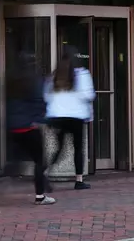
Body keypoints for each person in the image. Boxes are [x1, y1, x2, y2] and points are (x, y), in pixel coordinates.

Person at [0, 54, 55, 206]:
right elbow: (38, 102)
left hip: (14, 126)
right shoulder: (33, 80)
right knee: (40, 161)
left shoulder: (12, 81)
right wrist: (42, 120)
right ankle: (40, 195)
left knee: (15, 162)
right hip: (29, 126)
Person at [44, 46, 95, 190]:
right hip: (76, 116)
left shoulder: (54, 75)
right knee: (78, 148)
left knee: (59, 148)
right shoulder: (82, 74)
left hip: (57, 116)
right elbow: (89, 95)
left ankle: (45, 173)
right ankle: (79, 180)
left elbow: (46, 96)